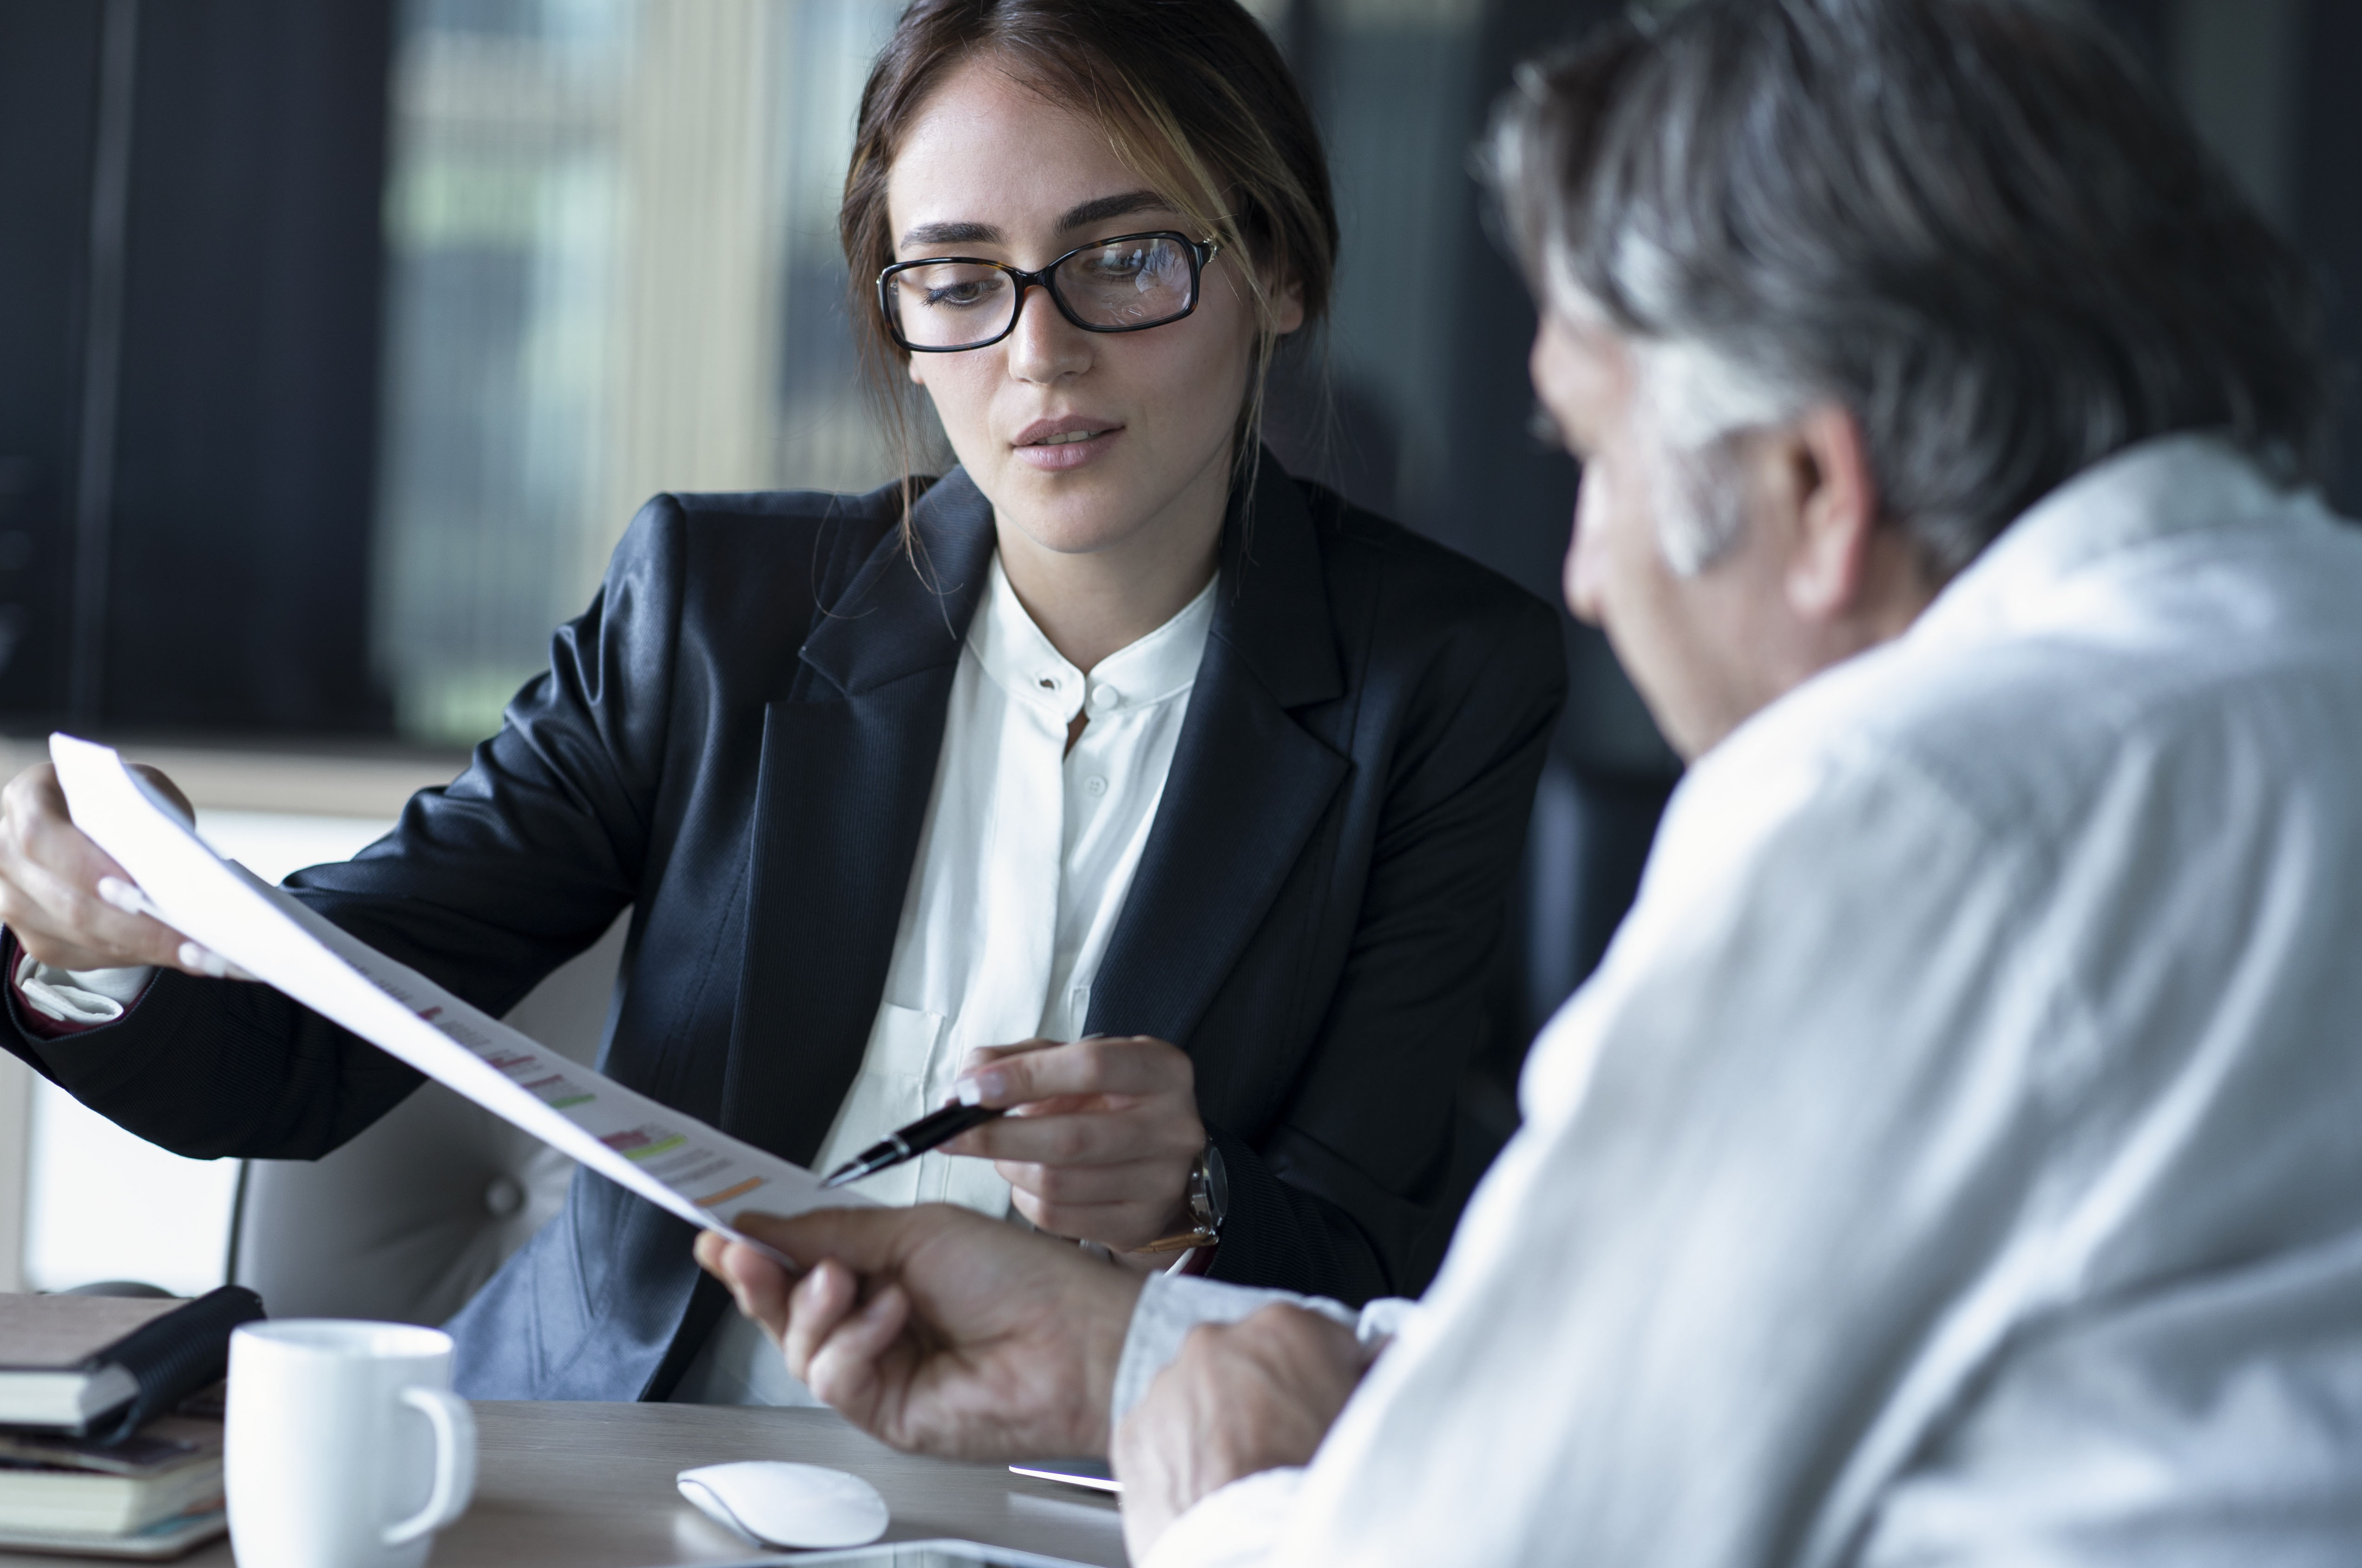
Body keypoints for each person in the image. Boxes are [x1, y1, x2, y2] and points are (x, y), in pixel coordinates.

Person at [691, 0, 2362, 1560]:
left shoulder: (1909, 809)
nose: (1585, 571)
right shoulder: (2300, 662)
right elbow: (1676, 1362)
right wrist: (1132, 1353)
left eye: (1596, 459)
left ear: (1809, 485)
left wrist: (1211, 1492)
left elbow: (1502, 1538)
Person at [0, 0, 1563, 1403]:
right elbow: (311, 1044)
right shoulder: (708, 609)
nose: (1041, 353)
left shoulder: (1441, 678)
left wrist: (1192, 1199)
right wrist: (91, 946)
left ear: (1275, 269)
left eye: (1127, 259)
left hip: (1080, 1507)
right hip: (610, 1469)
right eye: (958, 280)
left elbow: (1372, 1261)